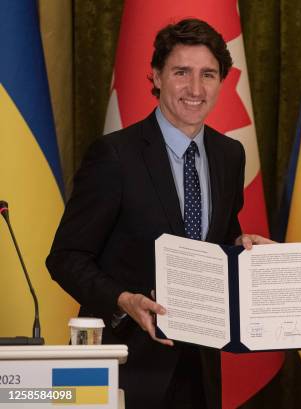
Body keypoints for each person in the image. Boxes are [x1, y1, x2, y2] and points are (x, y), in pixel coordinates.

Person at [47, 18, 271, 409]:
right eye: (181, 72)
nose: (196, 89)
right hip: (126, 366)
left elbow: (217, 235)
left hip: (200, 367)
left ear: (222, 81)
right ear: (155, 76)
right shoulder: (115, 156)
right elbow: (66, 257)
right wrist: (123, 300)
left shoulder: (229, 155)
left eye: (208, 74)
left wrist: (239, 244)